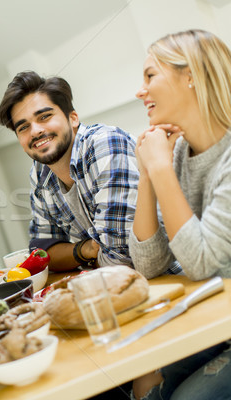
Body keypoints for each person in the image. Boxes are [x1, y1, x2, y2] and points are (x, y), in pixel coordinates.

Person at [130, 29, 231, 400]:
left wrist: (159, 170)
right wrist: (147, 174)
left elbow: (201, 263)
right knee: (146, 383)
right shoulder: (176, 152)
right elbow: (148, 264)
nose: (140, 91)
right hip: (218, 320)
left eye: (149, 76)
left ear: (190, 76)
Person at [0, 71, 140, 271]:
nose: (35, 131)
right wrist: (85, 250)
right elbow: (41, 256)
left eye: (44, 116)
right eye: (23, 127)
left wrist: (75, 258)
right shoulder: (40, 173)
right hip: (115, 289)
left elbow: (120, 259)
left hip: (174, 281)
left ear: (73, 118)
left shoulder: (105, 144)